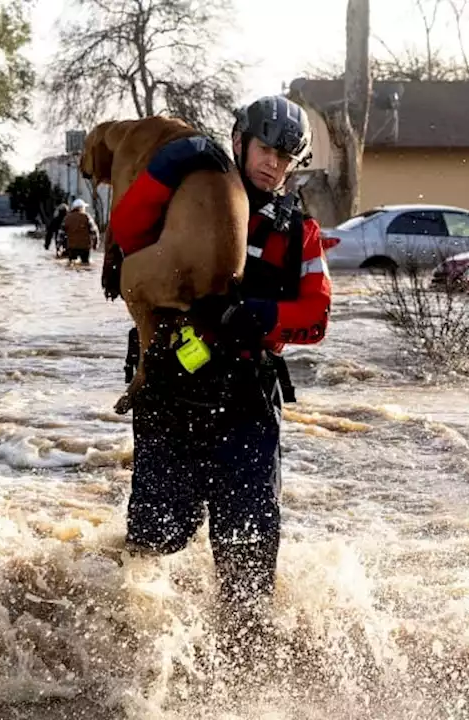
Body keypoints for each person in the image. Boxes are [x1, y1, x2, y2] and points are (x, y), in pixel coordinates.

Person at [100, 96, 332, 629]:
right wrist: (165, 168)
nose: (274, 164)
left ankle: (243, 656)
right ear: (238, 143)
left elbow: (315, 317)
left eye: (287, 157)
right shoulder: (181, 200)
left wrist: (251, 314)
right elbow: (130, 230)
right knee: (156, 537)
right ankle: (141, 644)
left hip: (246, 403)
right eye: (267, 149)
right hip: (168, 392)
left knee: (247, 551)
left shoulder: (299, 233)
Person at [62, 198, 99, 265]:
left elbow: (61, 234)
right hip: (85, 247)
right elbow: (94, 231)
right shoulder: (86, 217)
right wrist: (95, 244)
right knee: (85, 265)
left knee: (71, 264)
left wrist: (61, 247)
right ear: (81, 207)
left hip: (71, 247)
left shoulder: (67, 218)